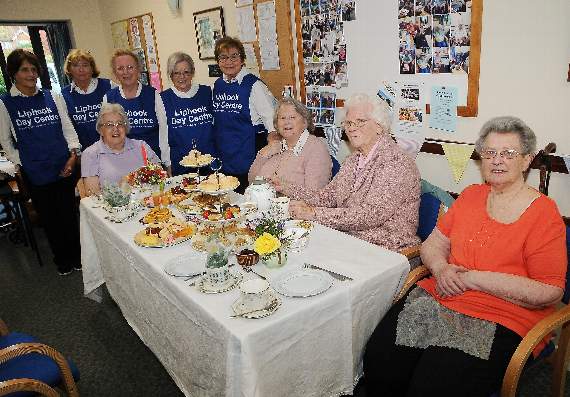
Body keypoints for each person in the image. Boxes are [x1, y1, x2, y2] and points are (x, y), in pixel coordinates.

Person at [363, 116, 567, 397]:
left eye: (508, 153)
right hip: (442, 296)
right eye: (490, 152)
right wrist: (441, 269)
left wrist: (474, 279)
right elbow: (432, 245)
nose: (497, 160)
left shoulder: (544, 214)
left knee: (433, 383)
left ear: (527, 160)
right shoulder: (471, 195)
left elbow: (550, 291)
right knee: (380, 357)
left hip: (501, 315)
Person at [273, 93, 420, 252]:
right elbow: (327, 197)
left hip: (386, 249)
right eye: (348, 122)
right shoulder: (353, 160)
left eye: (360, 121)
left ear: (380, 125)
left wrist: (314, 213)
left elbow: (370, 215)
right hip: (351, 239)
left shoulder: (395, 162)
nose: (351, 128)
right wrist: (286, 187)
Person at [0, 49, 81, 276]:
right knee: (50, 219)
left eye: (34, 69)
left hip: (64, 166)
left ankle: (77, 256)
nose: (31, 74)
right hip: (36, 172)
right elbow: (6, 141)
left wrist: (73, 156)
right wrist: (22, 162)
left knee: (68, 215)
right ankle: (62, 260)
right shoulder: (5, 103)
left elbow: (67, 128)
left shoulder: (52, 96)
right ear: (13, 73)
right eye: (25, 70)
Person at [212, 36, 277, 193]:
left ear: (242, 59)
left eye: (234, 56)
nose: (229, 62)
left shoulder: (254, 86)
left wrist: (272, 158)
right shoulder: (218, 85)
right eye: (224, 57)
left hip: (249, 153)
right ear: (218, 61)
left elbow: (272, 123)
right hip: (225, 154)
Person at [103, 49, 169, 171]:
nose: (126, 72)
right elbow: (106, 134)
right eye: (120, 68)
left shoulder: (153, 95)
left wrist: (167, 163)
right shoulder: (109, 97)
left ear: (138, 69)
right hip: (121, 163)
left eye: (130, 67)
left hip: (152, 162)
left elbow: (164, 132)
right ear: (115, 73)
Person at [249, 97, 331, 189]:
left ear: (305, 122)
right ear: (276, 124)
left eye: (292, 117)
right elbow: (251, 181)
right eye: (282, 118)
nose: (286, 122)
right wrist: (263, 154)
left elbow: (315, 196)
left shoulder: (316, 149)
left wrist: (284, 188)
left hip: (292, 203)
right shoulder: (276, 145)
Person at [81, 103, 160, 195]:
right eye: (109, 125)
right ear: (101, 130)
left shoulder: (142, 146)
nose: (116, 129)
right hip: (110, 207)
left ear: (126, 128)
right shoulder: (91, 154)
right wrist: (121, 188)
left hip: (147, 203)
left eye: (120, 124)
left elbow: (159, 176)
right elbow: (92, 195)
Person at [160, 52, 215, 176]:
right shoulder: (162, 99)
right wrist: (167, 164)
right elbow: (163, 137)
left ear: (193, 73)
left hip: (210, 164)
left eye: (186, 72)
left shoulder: (207, 92)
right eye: (177, 73)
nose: (182, 77)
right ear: (171, 75)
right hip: (180, 166)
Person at [61, 49, 114, 150]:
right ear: (69, 69)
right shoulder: (64, 95)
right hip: (84, 152)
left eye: (85, 65)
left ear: (92, 68)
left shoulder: (109, 86)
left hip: (111, 148)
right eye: (76, 65)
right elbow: (67, 128)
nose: (81, 70)